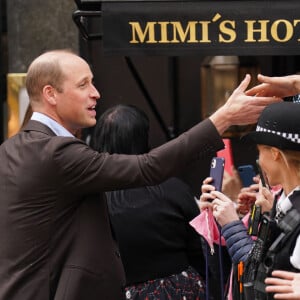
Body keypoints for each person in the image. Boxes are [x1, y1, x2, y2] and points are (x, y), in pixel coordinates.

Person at [0, 49, 281, 300]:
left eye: (93, 82)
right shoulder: (54, 151)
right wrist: (224, 118)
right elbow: (148, 167)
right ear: (50, 94)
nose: (96, 93)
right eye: (83, 84)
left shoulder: (12, 148)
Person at [91, 104, 206, 299]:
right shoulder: (173, 188)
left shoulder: (92, 200)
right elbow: (199, 248)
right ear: (143, 139)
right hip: (179, 289)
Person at [200, 101, 300, 299]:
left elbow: (259, 276)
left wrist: (232, 225)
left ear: (275, 154)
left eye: (260, 151)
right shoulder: (283, 203)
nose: (258, 161)